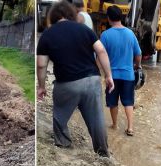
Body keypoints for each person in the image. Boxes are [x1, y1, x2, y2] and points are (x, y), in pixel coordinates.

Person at [37, 0, 114, 157]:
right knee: (97, 119)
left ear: (53, 17)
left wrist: (42, 86)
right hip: (92, 80)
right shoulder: (84, 30)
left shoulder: (47, 35)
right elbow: (102, 51)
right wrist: (108, 76)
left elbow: (41, 65)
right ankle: (103, 153)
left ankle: (64, 145)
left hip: (67, 84)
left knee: (60, 117)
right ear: (71, 14)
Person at [100, 5, 142, 136]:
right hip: (128, 76)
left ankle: (114, 124)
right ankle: (130, 127)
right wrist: (137, 65)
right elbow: (138, 54)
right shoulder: (130, 34)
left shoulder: (105, 35)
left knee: (113, 102)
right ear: (121, 17)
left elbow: (100, 55)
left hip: (111, 76)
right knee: (128, 101)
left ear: (108, 18)